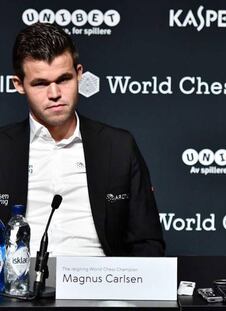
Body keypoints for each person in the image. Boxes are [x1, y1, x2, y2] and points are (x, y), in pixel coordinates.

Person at [0, 22, 165, 257]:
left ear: (79, 74)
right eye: (41, 84)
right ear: (19, 85)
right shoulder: (3, 148)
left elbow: (147, 243)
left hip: (102, 285)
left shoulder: (118, 146)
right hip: (16, 286)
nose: (55, 93)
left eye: (64, 79)